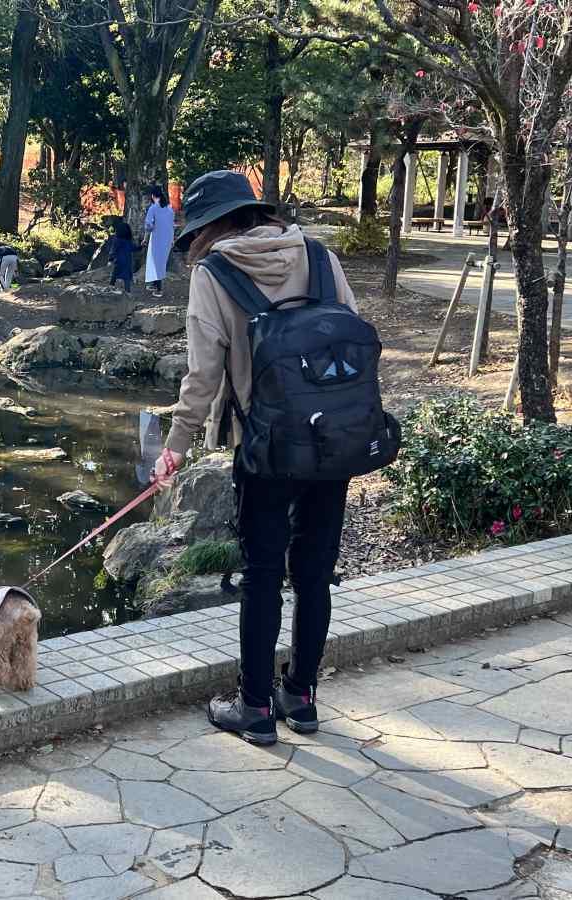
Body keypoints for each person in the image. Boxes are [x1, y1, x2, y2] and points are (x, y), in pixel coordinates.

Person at [151, 170, 359, 746]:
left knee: (263, 576)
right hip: (331, 442)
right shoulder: (319, 257)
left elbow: (202, 377)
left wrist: (175, 448)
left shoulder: (214, 275)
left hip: (264, 448)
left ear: (207, 227)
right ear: (255, 210)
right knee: (315, 575)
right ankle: (303, 695)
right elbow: (353, 338)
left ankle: (256, 707)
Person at [143, 184, 176, 298]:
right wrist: (172, 239)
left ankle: (158, 289)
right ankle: (154, 284)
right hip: (167, 238)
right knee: (160, 262)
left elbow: (148, 225)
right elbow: (172, 225)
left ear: (153, 196)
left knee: (155, 262)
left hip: (156, 237)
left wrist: (145, 238)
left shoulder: (153, 208)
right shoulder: (169, 209)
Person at [108, 221, 136, 294]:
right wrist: (142, 246)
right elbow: (134, 248)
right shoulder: (129, 241)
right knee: (127, 278)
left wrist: (110, 259)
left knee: (114, 274)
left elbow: (113, 250)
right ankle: (128, 292)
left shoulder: (116, 240)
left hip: (118, 261)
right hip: (127, 262)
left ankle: (111, 286)